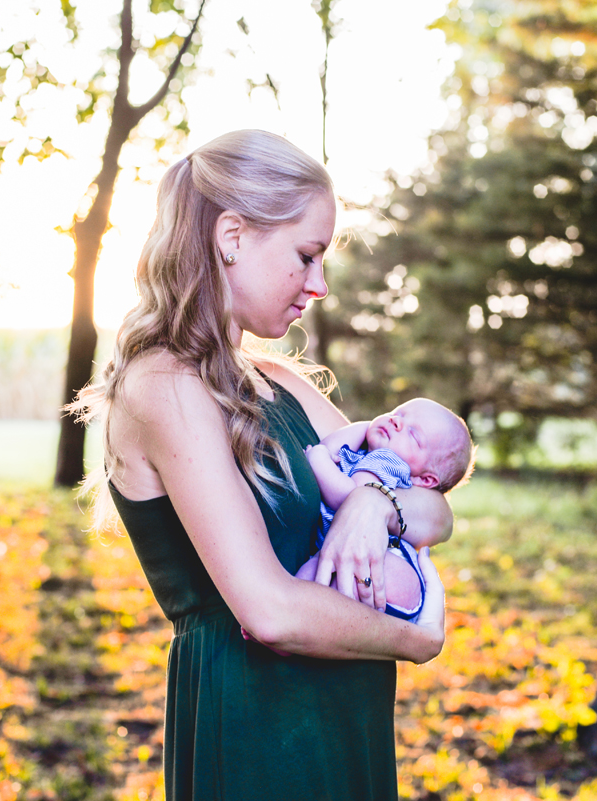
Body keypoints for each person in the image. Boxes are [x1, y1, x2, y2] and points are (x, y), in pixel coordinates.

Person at [70, 129, 452, 801]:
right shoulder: (163, 385)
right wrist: (415, 639)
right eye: (307, 256)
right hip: (258, 724)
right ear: (233, 236)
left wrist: (374, 503)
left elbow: (436, 507)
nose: (321, 284)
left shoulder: (282, 380)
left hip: (347, 714)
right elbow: (268, 610)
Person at [298, 399, 474, 621]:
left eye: (413, 434)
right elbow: (329, 446)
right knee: (312, 581)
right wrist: (368, 427)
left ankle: (286, 625)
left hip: (385, 565)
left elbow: (349, 498)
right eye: (398, 413)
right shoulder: (366, 454)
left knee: (310, 579)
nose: (397, 422)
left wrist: (317, 459)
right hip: (371, 564)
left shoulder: (388, 462)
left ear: (425, 479)